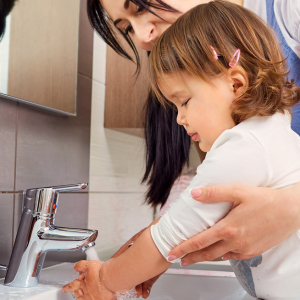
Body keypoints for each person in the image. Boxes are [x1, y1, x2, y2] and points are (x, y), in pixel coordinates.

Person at [63, 2, 300, 299]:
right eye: (125, 28)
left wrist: (106, 281)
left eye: (184, 101)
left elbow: (169, 238)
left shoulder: (243, 145)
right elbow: (184, 228)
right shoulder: (274, 129)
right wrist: (144, 261)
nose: (179, 118)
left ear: (236, 84)